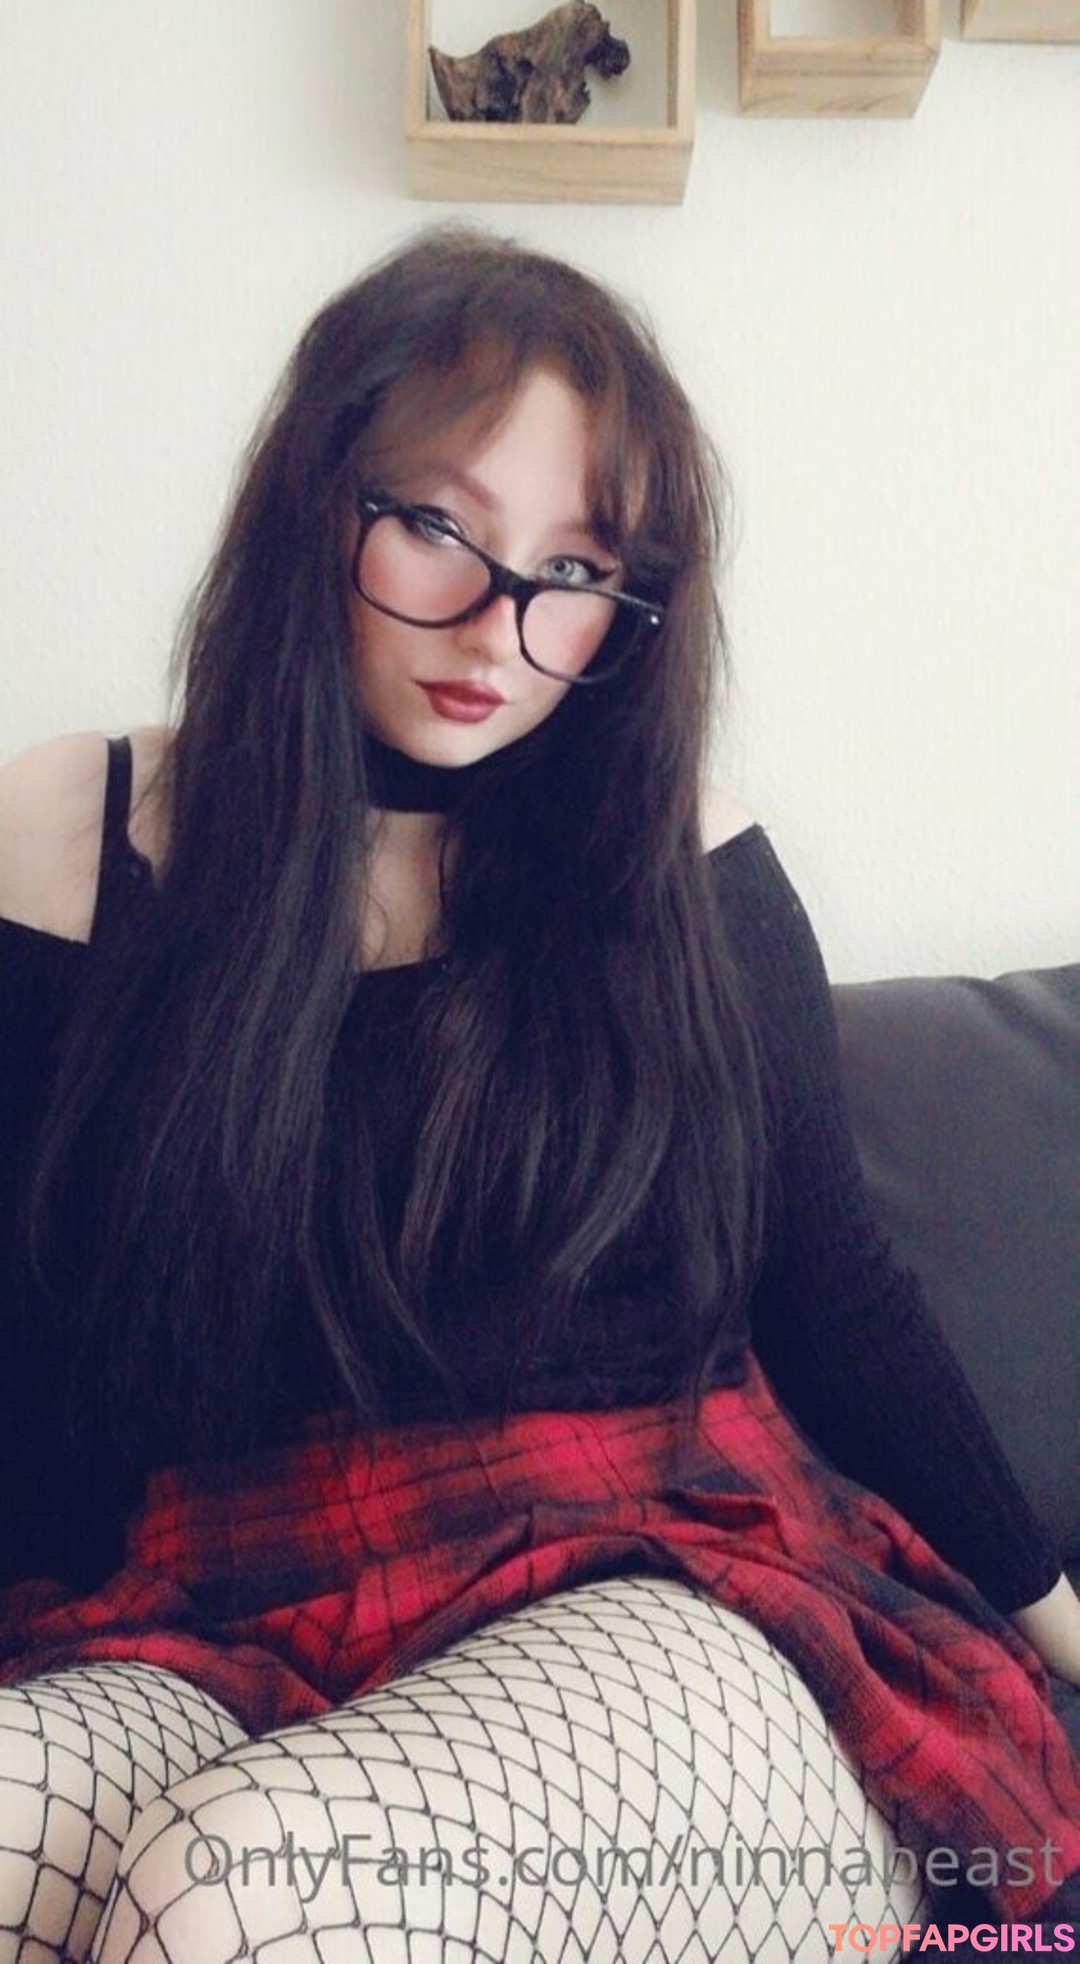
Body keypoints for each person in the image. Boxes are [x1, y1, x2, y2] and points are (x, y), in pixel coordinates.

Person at [0, 227, 1077, 1964]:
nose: (502, 625)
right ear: (314, 504)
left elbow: (841, 1298)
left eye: (575, 568)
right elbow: (27, 1335)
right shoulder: (79, 837)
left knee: (234, 1897)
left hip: (656, 1571)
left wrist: (1057, 1628)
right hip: (226, 1597)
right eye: (439, 527)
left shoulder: (679, 858)